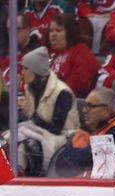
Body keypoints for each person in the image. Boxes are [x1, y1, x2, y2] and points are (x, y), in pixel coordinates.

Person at [16, 47, 79, 176]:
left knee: (29, 140)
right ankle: (17, 174)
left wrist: (32, 117)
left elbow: (56, 128)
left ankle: (43, 175)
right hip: (43, 131)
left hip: (65, 136)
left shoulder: (61, 92)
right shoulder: (31, 88)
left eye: (26, 69)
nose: (22, 73)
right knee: (15, 137)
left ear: (36, 70)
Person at [66, 87, 115, 174]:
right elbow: (61, 164)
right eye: (85, 106)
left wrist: (71, 152)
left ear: (107, 110)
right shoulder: (88, 130)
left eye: (90, 106)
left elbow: (80, 158)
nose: (84, 110)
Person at [47, 13, 98, 98]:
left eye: (58, 30)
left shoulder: (81, 51)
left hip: (71, 100)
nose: (53, 34)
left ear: (70, 32)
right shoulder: (48, 54)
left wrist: (52, 94)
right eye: (51, 31)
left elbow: (79, 82)